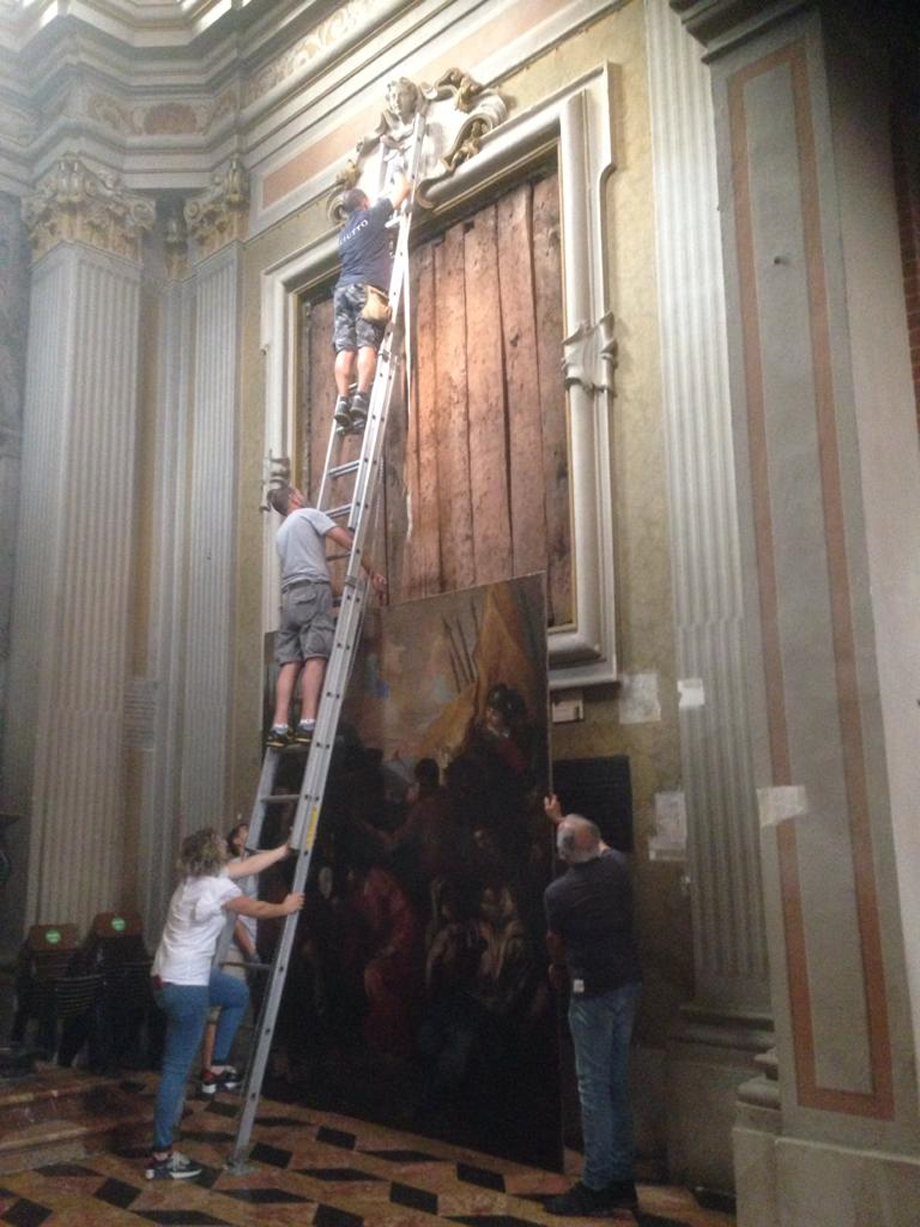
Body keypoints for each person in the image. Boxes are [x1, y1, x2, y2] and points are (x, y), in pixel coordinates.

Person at [147, 827, 304, 1181]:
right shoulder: (217, 888)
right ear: (214, 854)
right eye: (221, 844)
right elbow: (255, 907)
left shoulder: (195, 878)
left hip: (170, 977)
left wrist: (282, 850)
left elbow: (247, 868)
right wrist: (285, 907)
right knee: (174, 1071)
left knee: (235, 994)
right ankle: (161, 1156)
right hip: (185, 986)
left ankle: (215, 1067)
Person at [542, 796, 642, 1216]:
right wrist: (563, 820)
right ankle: (622, 1178)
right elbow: (595, 844)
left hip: (591, 994)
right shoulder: (617, 868)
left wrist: (555, 969)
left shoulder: (558, 894)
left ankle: (596, 1183)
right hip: (627, 985)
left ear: (564, 855)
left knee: (593, 1090)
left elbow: (556, 946)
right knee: (616, 1083)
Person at [265, 484, 386, 748]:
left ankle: (280, 725)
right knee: (315, 655)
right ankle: (309, 722)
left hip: (290, 599)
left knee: (289, 662)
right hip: (312, 593)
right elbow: (349, 543)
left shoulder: (281, 533)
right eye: (299, 492)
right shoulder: (309, 514)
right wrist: (373, 572)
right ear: (295, 498)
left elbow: (303, 568)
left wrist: (339, 591)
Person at [332, 171, 411, 432]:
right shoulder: (372, 216)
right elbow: (403, 191)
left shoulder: (343, 236)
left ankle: (342, 400)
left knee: (345, 349)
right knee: (368, 343)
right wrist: (399, 172)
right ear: (364, 203)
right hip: (365, 289)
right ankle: (361, 397)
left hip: (342, 292)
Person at [199, 821, 257, 1077]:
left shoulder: (248, 868)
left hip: (237, 947)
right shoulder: (233, 870)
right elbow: (234, 914)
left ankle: (216, 1065)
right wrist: (250, 950)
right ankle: (211, 1068)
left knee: (231, 1006)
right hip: (231, 948)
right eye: (245, 831)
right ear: (235, 839)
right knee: (221, 1007)